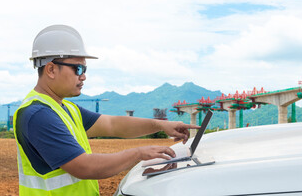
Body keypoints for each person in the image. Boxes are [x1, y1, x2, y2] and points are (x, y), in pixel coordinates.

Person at [13, 25, 200, 195]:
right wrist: (138, 153)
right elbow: (84, 167)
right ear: (51, 70)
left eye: (85, 69)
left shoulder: (65, 109)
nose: (84, 76)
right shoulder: (38, 115)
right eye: (78, 69)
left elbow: (113, 125)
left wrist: (161, 125)